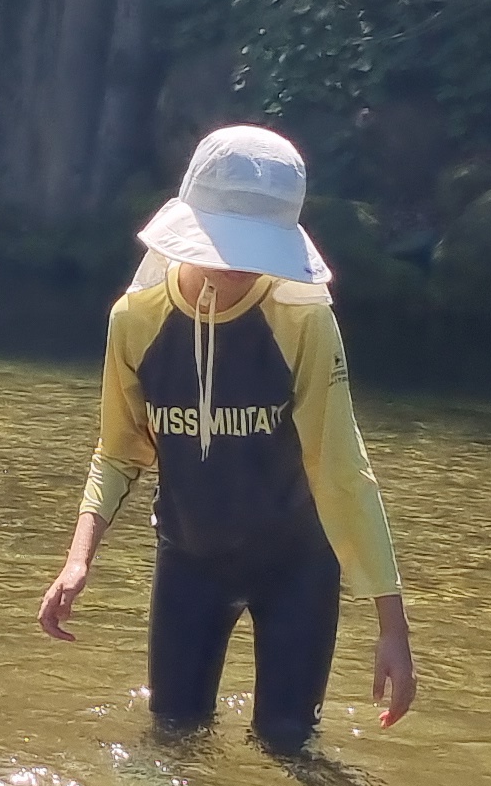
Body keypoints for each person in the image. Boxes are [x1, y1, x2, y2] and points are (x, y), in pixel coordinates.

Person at [34, 126, 420, 751]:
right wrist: (78, 560)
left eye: (254, 249)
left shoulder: (303, 320)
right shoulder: (135, 320)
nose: (237, 264)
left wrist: (392, 626)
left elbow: (341, 468)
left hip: (297, 567)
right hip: (189, 561)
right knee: (172, 740)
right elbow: (119, 452)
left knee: (288, 744)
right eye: (223, 244)